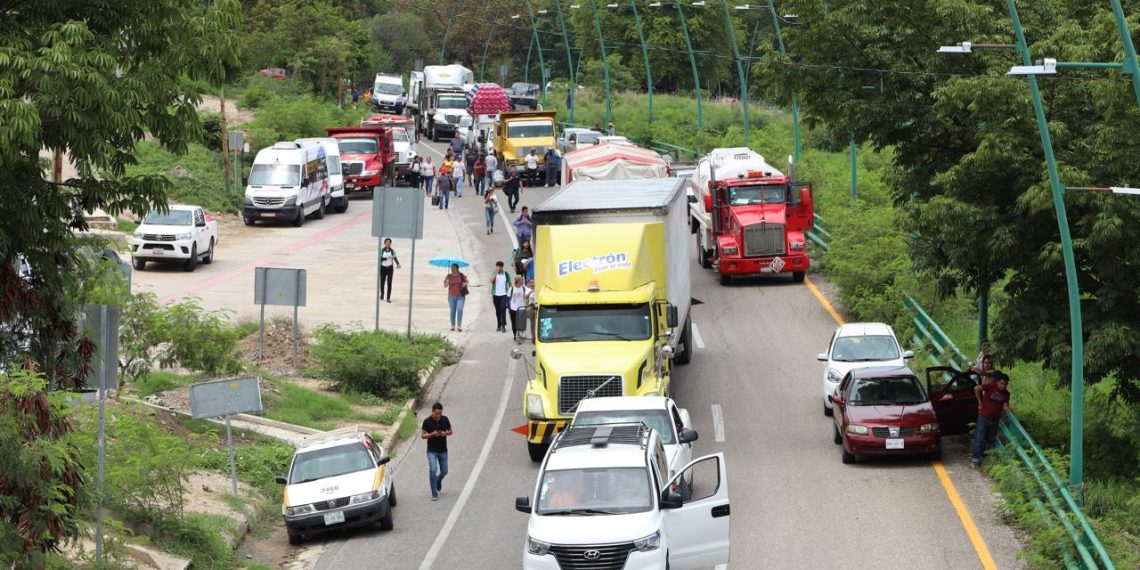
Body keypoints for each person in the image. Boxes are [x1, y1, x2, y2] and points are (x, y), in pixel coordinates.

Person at [971, 371, 1012, 467]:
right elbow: (976, 388)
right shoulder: (990, 386)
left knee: (990, 440)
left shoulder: (1006, 394)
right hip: (984, 416)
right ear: (997, 382)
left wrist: (1008, 409)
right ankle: (976, 459)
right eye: (1001, 384)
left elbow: (1005, 405)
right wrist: (980, 404)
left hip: (995, 419)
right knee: (979, 438)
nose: (1003, 386)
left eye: (1005, 385)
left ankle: (986, 458)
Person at [421, 402, 453, 501]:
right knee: (433, 470)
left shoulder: (445, 419)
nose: (438, 415)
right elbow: (423, 436)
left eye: (440, 413)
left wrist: (444, 433)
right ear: (432, 411)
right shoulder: (427, 421)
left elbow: (451, 431)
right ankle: (434, 492)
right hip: (432, 451)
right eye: (436, 413)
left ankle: (438, 480)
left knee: (444, 471)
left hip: (443, 450)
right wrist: (433, 434)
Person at [443, 263, 468, 331]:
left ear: (457, 268)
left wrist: (464, 284)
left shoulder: (461, 275)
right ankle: (453, 325)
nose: (452, 269)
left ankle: (459, 325)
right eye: (451, 267)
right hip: (451, 296)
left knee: (460, 309)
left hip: (460, 296)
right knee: (452, 311)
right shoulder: (448, 276)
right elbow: (445, 286)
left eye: (453, 267)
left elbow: (467, 281)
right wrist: (447, 282)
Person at [508, 275, 530, 342]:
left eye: (522, 280)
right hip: (513, 309)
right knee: (514, 322)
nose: (522, 281)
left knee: (521, 322)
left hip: (521, 308)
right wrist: (509, 307)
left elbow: (528, 293)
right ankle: (515, 334)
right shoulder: (512, 289)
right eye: (521, 280)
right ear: (517, 281)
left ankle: (520, 334)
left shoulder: (524, 288)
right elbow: (508, 298)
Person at [490, 261, 510, 333]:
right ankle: (499, 324)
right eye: (497, 266)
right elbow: (491, 281)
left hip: (504, 294)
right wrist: (495, 273)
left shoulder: (506, 274)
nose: (498, 268)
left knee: (503, 309)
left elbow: (509, 283)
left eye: (499, 266)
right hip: (495, 294)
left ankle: (503, 326)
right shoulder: (494, 273)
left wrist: (511, 292)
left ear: (502, 267)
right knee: (497, 311)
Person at [379, 238, 401, 303]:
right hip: (383, 268)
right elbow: (380, 258)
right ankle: (382, 294)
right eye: (386, 242)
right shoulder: (382, 250)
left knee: (389, 283)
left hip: (390, 269)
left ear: (390, 243)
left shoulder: (392, 251)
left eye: (389, 242)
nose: (388, 243)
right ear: (384, 243)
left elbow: (395, 257)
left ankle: (388, 298)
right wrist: (386, 258)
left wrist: (398, 263)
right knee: (382, 283)